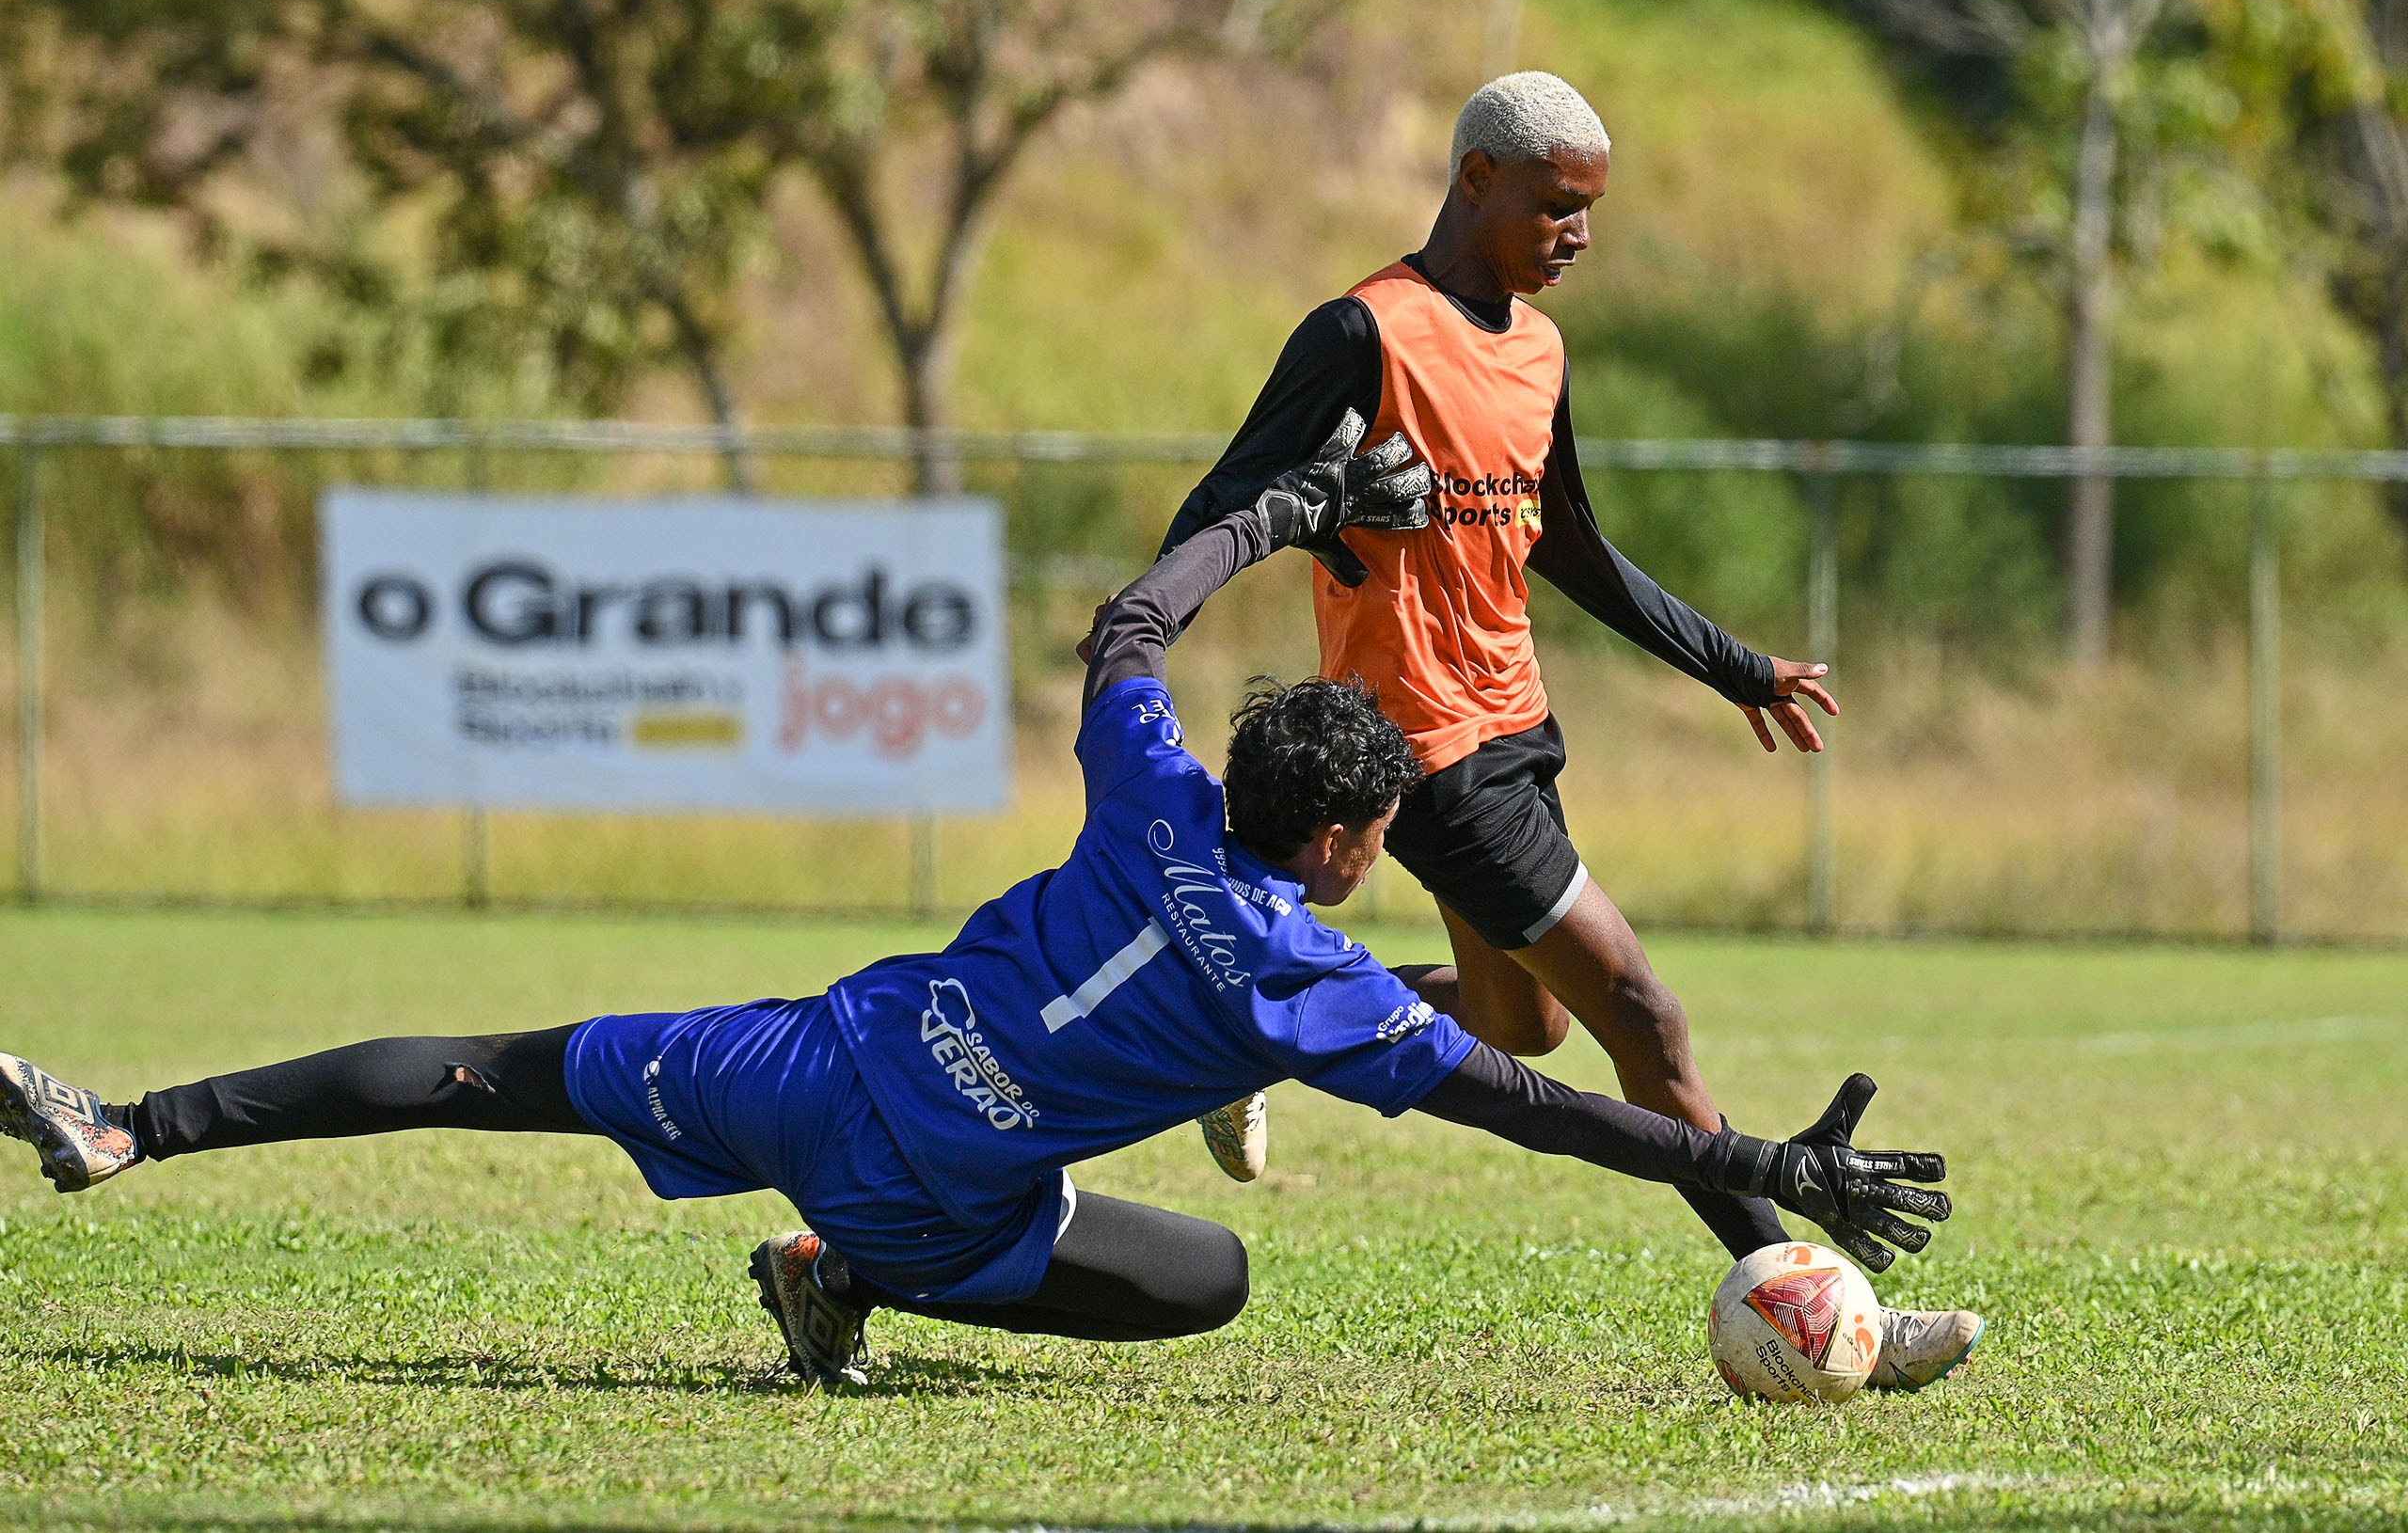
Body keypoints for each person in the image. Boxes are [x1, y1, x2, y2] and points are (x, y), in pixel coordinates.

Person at [0, 422, 1954, 1393]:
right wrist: (1757, 1150)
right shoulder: (1305, 984)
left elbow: (1125, 626)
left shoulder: (1157, 795)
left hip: (803, 1059)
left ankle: (130, 1122)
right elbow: (1533, 1100)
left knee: (480, 1068)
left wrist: (1281, 515)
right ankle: (837, 1274)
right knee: (1206, 1283)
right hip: (933, 1185)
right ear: (1354, 847)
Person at [1158, 72, 1981, 1388]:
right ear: (1475, 179)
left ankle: (1256, 1030)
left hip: (1519, 730)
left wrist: (1733, 666)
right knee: (1646, 1025)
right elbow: (1221, 503)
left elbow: (1575, 548)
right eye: (1556, 205)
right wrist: (1315, 514)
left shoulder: (1538, 353)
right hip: (1423, 755)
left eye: (1590, 211)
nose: (1578, 234)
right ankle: (1822, 1314)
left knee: (1523, 1028)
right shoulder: (1364, 333)